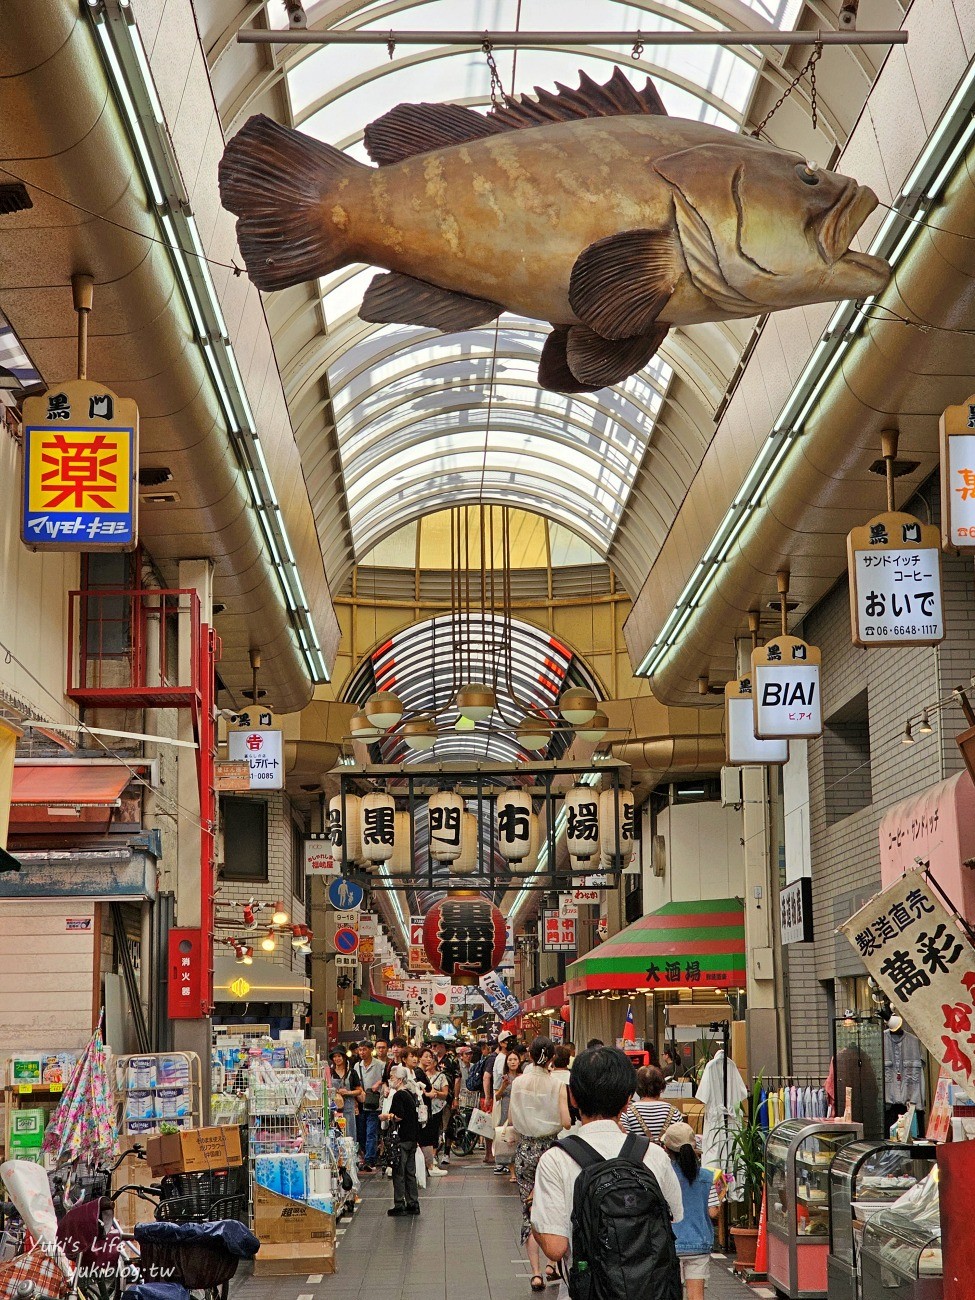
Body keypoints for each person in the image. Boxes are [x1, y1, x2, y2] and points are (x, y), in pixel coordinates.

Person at [531, 1047, 683, 1300]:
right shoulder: (653, 1154)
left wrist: (533, 1215)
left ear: (574, 1098)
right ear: (627, 1100)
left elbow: (556, 1248)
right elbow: (675, 1217)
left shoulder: (556, 1159)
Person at [509, 1037, 564, 1293]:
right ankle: (553, 1264)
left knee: (529, 1210)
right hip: (551, 1149)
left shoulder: (518, 1083)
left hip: (524, 1150)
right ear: (552, 1058)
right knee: (553, 1207)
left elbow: (511, 1117)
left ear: (528, 1056)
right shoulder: (557, 1085)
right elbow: (565, 1121)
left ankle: (535, 1273)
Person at [662, 1121, 724, 1299]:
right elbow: (713, 1212)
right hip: (699, 1243)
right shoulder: (706, 1176)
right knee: (696, 1296)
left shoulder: (663, 1176)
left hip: (670, 1244)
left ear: (666, 1148)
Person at [386, 1065, 421, 1217]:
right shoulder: (410, 1094)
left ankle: (399, 1203)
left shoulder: (399, 1095)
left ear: (399, 1080)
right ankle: (413, 1202)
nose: (390, 1080)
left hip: (401, 1138)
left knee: (399, 1172)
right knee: (410, 1172)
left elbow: (398, 1116)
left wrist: (386, 1117)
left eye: (392, 1078)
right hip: (412, 1138)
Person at [623, 1066, 683, 1142]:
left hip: (639, 1153)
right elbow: (679, 1142)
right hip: (665, 1154)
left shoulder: (627, 1112)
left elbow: (625, 1142)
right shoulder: (674, 1112)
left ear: (637, 1087)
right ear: (661, 1087)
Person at [351, 1040, 384, 1172]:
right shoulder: (356, 1067)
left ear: (371, 1050)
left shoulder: (380, 1065)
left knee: (371, 1132)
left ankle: (370, 1159)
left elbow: (387, 1078)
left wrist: (378, 1084)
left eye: (364, 1049)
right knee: (361, 1133)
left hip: (375, 1105)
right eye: (360, 1050)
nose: (362, 1052)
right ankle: (365, 1156)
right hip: (361, 1104)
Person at [418, 1047, 449, 1177]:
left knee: (430, 1137)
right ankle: (429, 1166)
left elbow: (444, 1093)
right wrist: (428, 1093)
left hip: (431, 1109)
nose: (429, 1059)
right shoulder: (418, 1072)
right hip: (423, 1110)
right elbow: (421, 1090)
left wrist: (432, 1093)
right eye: (426, 1056)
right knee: (426, 1138)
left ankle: (429, 1164)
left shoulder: (433, 1075)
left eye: (430, 1057)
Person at [495, 1047, 523, 1181]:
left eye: (515, 1059)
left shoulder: (523, 1077)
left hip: (520, 1109)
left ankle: (519, 1169)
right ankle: (512, 1172)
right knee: (509, 1140)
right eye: (510, 1059)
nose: (512, 1062)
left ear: (519, 1061)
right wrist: (503, 1087)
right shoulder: (504, 1078)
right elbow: (497, 1096)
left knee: (519, 1138)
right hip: (506, 1109)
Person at [432, 1037, 460, 1164]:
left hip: (448, 1097)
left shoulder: (451, 1059)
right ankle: (434, 1151)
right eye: (432, 1046)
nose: (433, 1048)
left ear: (443, 1046)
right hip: (432, 1098)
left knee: (448, 1125)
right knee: (434, 1125)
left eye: (436, 1045)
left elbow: (457, 1078)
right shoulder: (430, 1059)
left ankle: (447, 1152)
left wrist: (456, 1098)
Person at [329, 1046, 358, 1139]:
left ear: (344, 1057)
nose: (337, 1059)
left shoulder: (352, 1072)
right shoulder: (330, 1072)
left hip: (348, 1108)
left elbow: (359, 1090)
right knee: (335, 1133)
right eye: (335, 1057)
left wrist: (348, 1093)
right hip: (334, 1108)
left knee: (349, 1133)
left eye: (339, 1056)